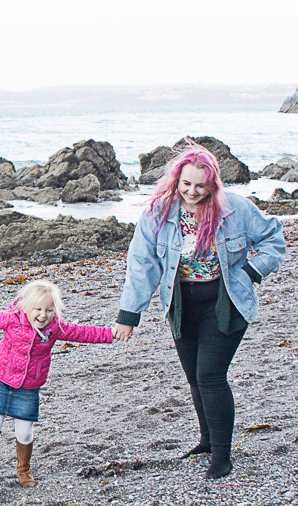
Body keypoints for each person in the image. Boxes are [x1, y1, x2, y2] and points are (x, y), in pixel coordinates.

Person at [114, 142, 286, 479]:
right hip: (181, 304)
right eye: (186, 184)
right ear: (176, 181)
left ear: (213, 183)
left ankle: (222, 457)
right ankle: (207, 440)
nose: (192, 192)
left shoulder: (235, 209)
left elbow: (273, 239)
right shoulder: (157, 214)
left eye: (200, 185)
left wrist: (251, 272)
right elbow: (141, 264)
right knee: (195, 377)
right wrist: (128, 315)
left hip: (226, 302)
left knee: (210, 375)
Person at [0, 279, 114, 487]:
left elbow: (83, 333)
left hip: (30, 384)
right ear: (27, 307)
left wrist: (111, 333)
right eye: (38, 309)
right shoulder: (11, 318)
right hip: (3, 379)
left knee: (24, 432)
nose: (43, 315)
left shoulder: (55, 327)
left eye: (49, 310)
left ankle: (23, 469)